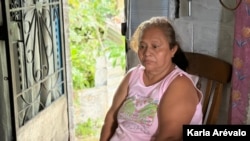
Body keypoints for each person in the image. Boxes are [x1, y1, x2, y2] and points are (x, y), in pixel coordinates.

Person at [100, 16, 203, 141]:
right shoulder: (133, 75)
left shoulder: (179, 85)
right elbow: (111, 118)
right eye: (142, 46)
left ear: (172, 50)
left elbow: (169, 137)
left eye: (155, 46)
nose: (147, 52)